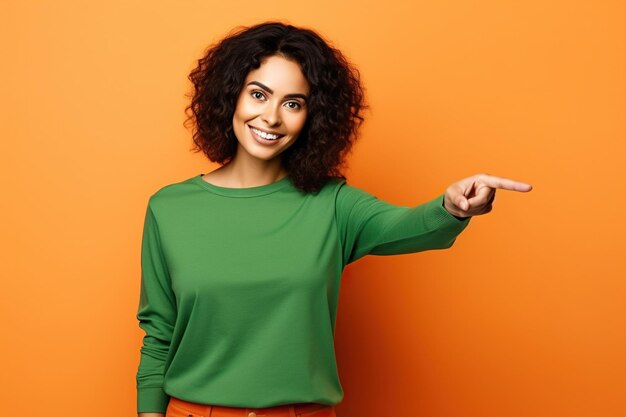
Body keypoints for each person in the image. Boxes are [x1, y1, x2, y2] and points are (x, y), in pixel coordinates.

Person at [135, 21, 532, 417]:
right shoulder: (170, 208)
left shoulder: (333, 204)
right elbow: (159, 336)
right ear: (230, 96)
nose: (271, 117)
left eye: (293, 103)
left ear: (314, 116)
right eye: (259, 95)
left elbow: (407, 226)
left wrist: (453, 207)